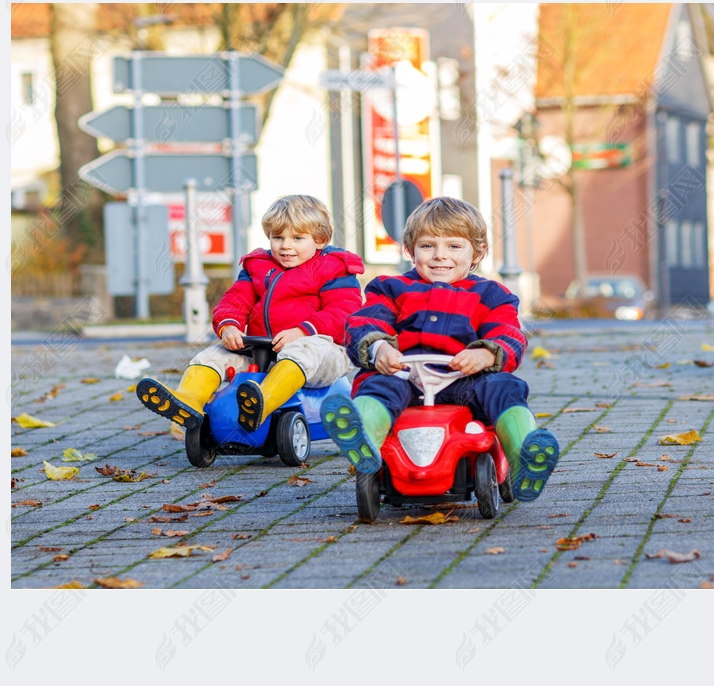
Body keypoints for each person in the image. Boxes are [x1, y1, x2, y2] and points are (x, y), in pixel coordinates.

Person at [321, 196, 560, 501]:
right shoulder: (390, 288)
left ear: (477, 252)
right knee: (378, 385)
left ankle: (524, 455)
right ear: (410, 250)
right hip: (403, 377)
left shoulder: (491, 295)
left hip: (464, 380)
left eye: (453, 246)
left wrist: (486, 353)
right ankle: (363, 436)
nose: (439, 256)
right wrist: (380, 348)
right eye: (428, 246)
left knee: (505, 387)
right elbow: (363, 322)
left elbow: (509, 332)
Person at [136, 194, 363, 432]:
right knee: (213, 355)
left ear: (320, 240)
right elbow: (235, 299)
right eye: (278, 237)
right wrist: (229, 326)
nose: (286, 245)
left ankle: (261, 404)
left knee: (304, 350)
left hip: (322, 353)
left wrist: (302, 331)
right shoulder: (258, 266)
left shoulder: (334, 268)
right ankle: (188, 403)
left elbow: (344, 312)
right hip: (263, 351)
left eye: (297, 238)